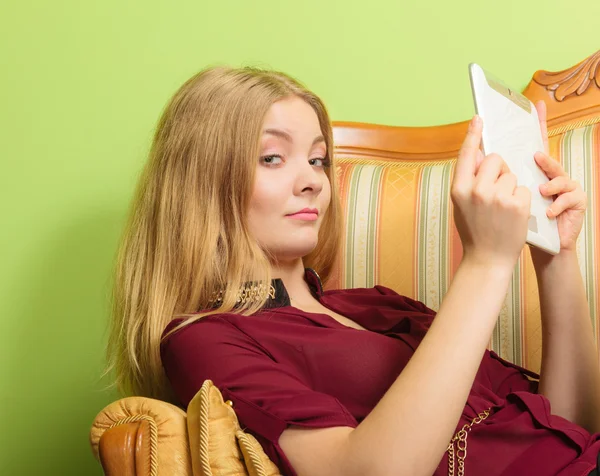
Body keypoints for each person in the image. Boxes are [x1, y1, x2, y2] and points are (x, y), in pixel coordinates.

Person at [107, 66, 600, 476]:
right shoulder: (204, 338)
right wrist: (487, 261)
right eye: (272, 157)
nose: (312, 182)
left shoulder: (378, 304)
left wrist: (555, 252)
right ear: (202, 184)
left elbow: (571, 422)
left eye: (318, 159)